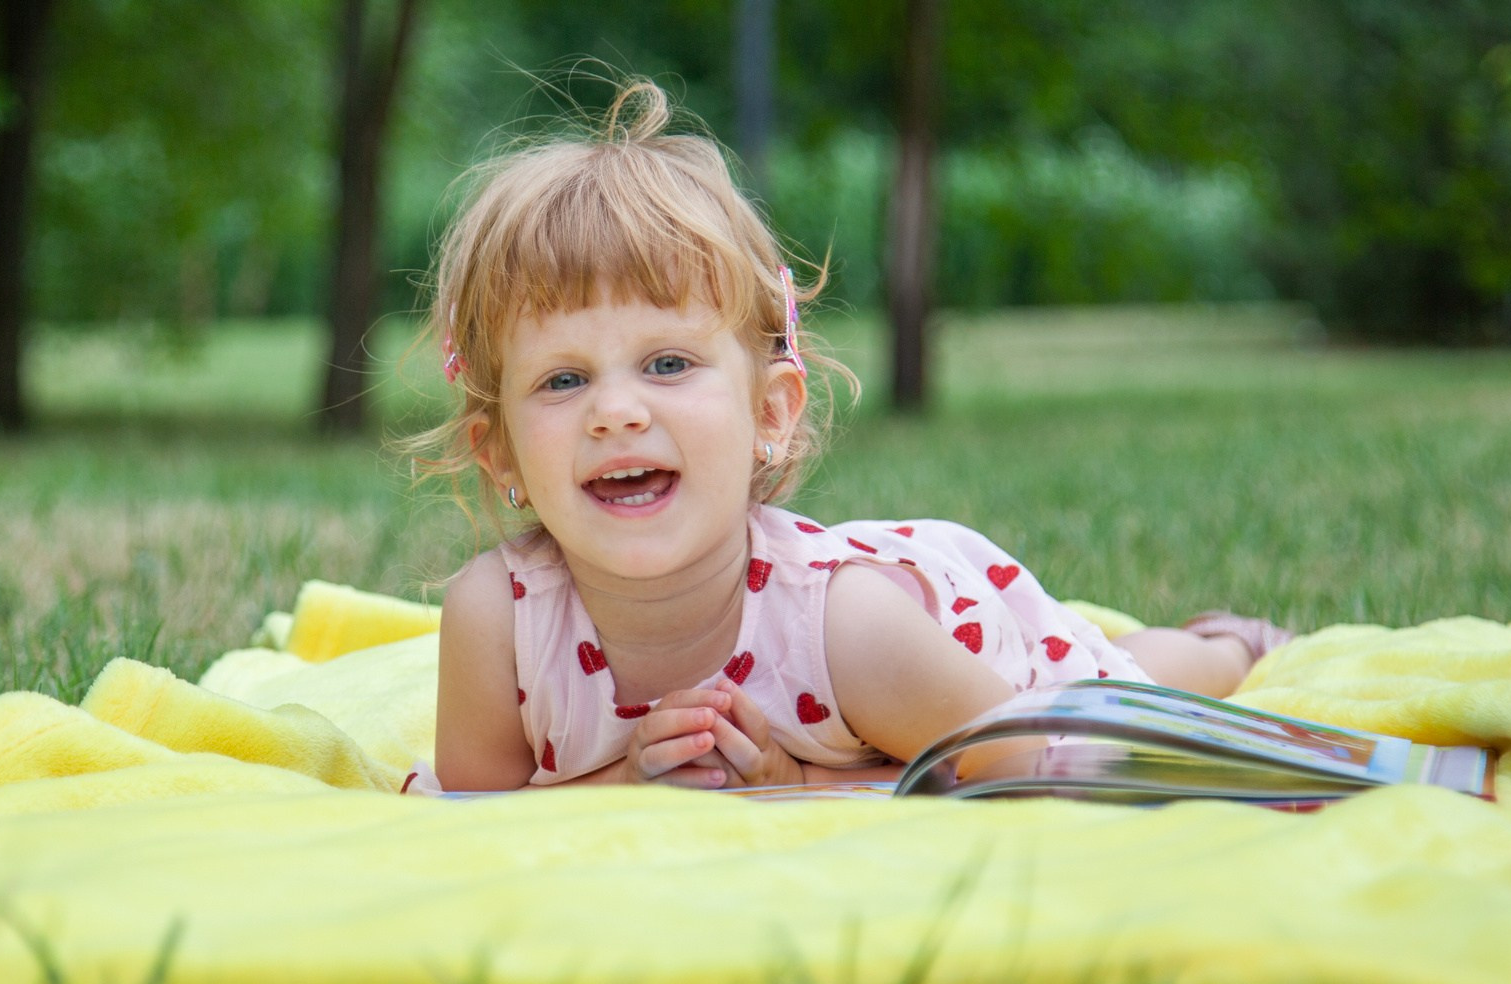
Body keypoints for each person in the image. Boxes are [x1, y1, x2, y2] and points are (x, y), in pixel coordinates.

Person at [417, 80, 1288, 793]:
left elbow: (1033, 772)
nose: (617, 411)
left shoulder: (849, 631)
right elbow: (478, 820)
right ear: (500, 454)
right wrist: (627, 783)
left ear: (771, 413)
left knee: (1122, 681)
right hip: (903, 691)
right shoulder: (498, 621)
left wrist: (799, 779)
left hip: (973, 672)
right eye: (563, 380)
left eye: (669, 364)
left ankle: (1227, 644)